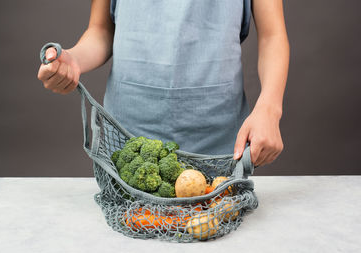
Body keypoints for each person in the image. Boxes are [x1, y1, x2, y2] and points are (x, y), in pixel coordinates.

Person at [37, 0, 289, 167]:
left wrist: (270, 109)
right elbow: (102, 29)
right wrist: (74, 60)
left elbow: (272, 36)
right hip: (129, 144)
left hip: (219, 146)